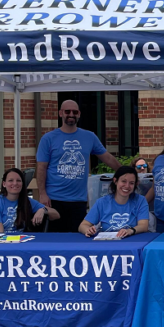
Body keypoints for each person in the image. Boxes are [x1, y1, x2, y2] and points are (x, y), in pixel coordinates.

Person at [36, 99, 120, 233]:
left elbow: (107, 158)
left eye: (74, 112)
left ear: (79, 114)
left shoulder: (89, 137)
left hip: (78, 200)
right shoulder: (48, 138)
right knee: (54, 240)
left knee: (77, 240)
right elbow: (41, 168)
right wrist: (42, 193)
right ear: (60, 113)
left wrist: (126, 172)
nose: (71, 114)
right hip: (53, 200)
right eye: (67, 111)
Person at [79, 165, 149, 238]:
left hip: (132, 243)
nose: (127, 186)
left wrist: (130, 231)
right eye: (123, 181)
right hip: (107, 244)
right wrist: (88, 230)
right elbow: (83, 225)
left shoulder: (140, 200)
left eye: (131, 183)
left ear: (135, 184)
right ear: (115, 181)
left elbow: (143, 226)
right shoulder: (102, 202)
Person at [0, 167, 60, 233]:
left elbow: (56, 215)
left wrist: (43, 210)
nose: (15, 183)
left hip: (19, 243)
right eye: (10, 180)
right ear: (4, 184)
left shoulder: (27, 201)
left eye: (18, 181)